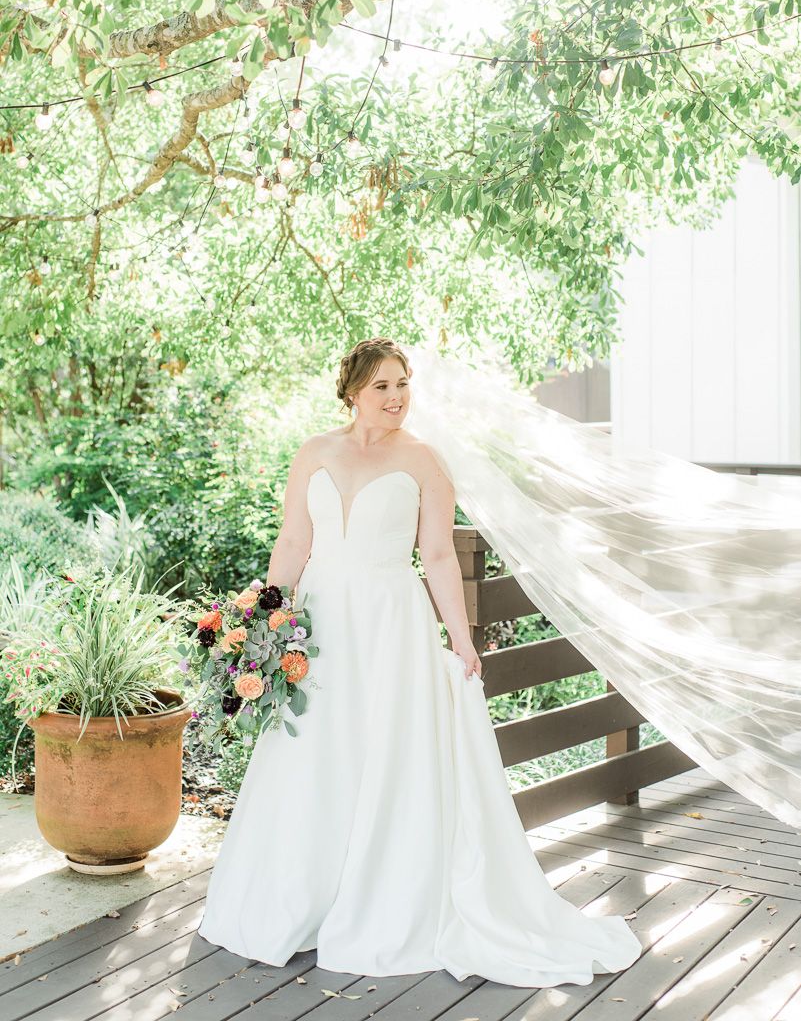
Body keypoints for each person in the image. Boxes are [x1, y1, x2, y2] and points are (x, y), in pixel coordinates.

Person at [197, 336, 642, 986]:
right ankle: (301, 898)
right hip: (319, 621)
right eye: (381, 385)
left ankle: (378, 903)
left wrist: (461, 640)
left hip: (389, 621)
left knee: (384, 748)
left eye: (403, 383)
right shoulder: (314, 452)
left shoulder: (425, 463)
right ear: (352, 391)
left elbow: (436, 556)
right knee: (318, 750)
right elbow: (294, 538)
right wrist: (268, 618)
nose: (396, 396)